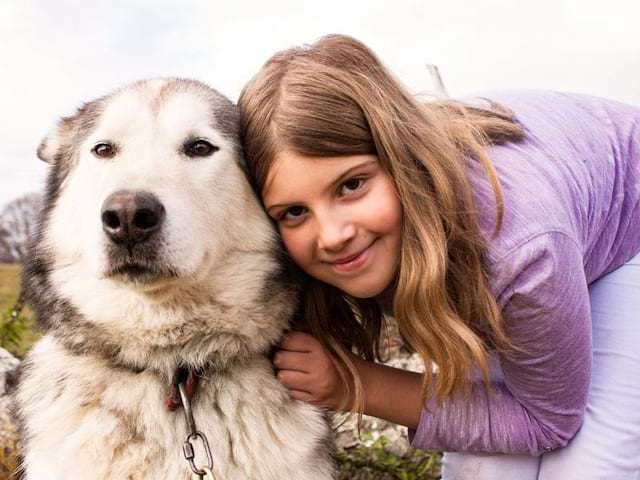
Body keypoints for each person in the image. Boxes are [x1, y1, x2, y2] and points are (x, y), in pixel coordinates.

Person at [237, 34, 640, 479]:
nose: (332, 236)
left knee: (590, 468)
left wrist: (355, 383)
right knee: (484, 467)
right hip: (516, 250)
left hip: (626, 228)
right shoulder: (362, 237)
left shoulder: (522, 250)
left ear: (403, 158)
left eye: (351, 185)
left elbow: (547, 422)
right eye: (294, 212)